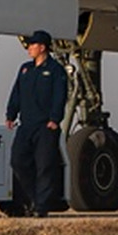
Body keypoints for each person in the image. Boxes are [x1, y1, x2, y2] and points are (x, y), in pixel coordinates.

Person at [5, 31, 69, 213]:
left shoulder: (55, 70)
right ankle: (33, 198)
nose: (29, 49)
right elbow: (16, 92)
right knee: (18, 161)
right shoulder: (25, 69)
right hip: (26, 125)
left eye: (32, 45)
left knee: (44, 166)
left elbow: (60, 96)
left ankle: (41, 206)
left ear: (42, 47)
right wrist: (11, 114)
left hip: (45, 126)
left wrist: (55, 119)